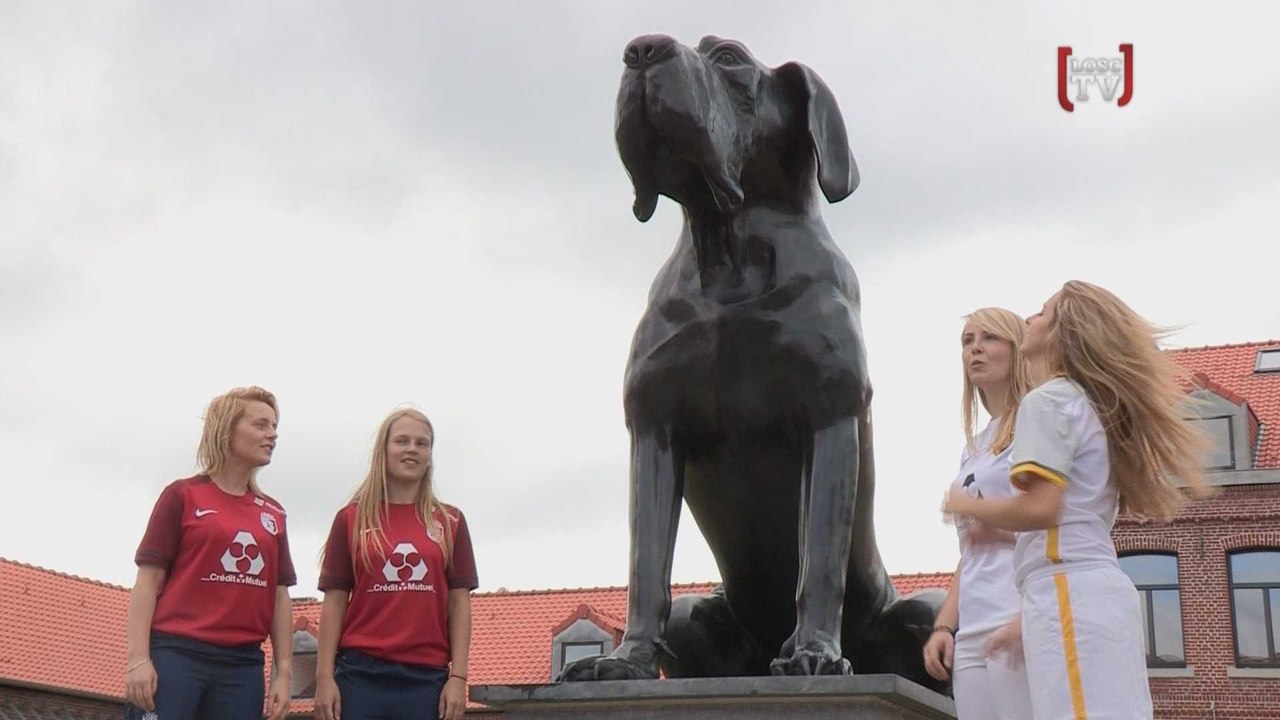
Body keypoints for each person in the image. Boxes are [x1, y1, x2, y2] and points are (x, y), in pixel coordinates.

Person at [945, 281, 1208, 720]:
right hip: (1083, 587)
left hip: (1065, 585)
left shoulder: (1046, 401)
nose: (1031, 318)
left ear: (1062, 332)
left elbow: (1041, 509)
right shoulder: (1079, 402)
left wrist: (966, 506)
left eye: (1042, 312)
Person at [125, 386, 296, 720]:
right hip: (176, 654)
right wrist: (138, 659)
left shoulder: (274, 514)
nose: (272, 435)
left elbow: (279, 596)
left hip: (242, 666)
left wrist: (285, 672)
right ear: (227, 429)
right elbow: (147, 582)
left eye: (275, 427)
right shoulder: (182, 496)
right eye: (261, 425)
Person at [315, 409, 479, 720]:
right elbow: (334, 604)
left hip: (427, 678)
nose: (412, 449)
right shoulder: (351, 519)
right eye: (402, 441)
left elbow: (460, 604)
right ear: (384, 450)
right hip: (360, 674)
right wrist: (324, 677)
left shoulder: (450, 521)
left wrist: (459, 677)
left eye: (422, 443)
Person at [924, 308, 1035, 719]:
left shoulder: (1032, 424)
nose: (975, 349)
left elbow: (1049, 524)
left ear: (1016, 348)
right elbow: (971, 549)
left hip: (1019, 611)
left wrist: (1028, 616)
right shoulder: (973, 448)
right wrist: (943, 626)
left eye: (989, 338)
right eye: (968, 340)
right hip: (972, 627)